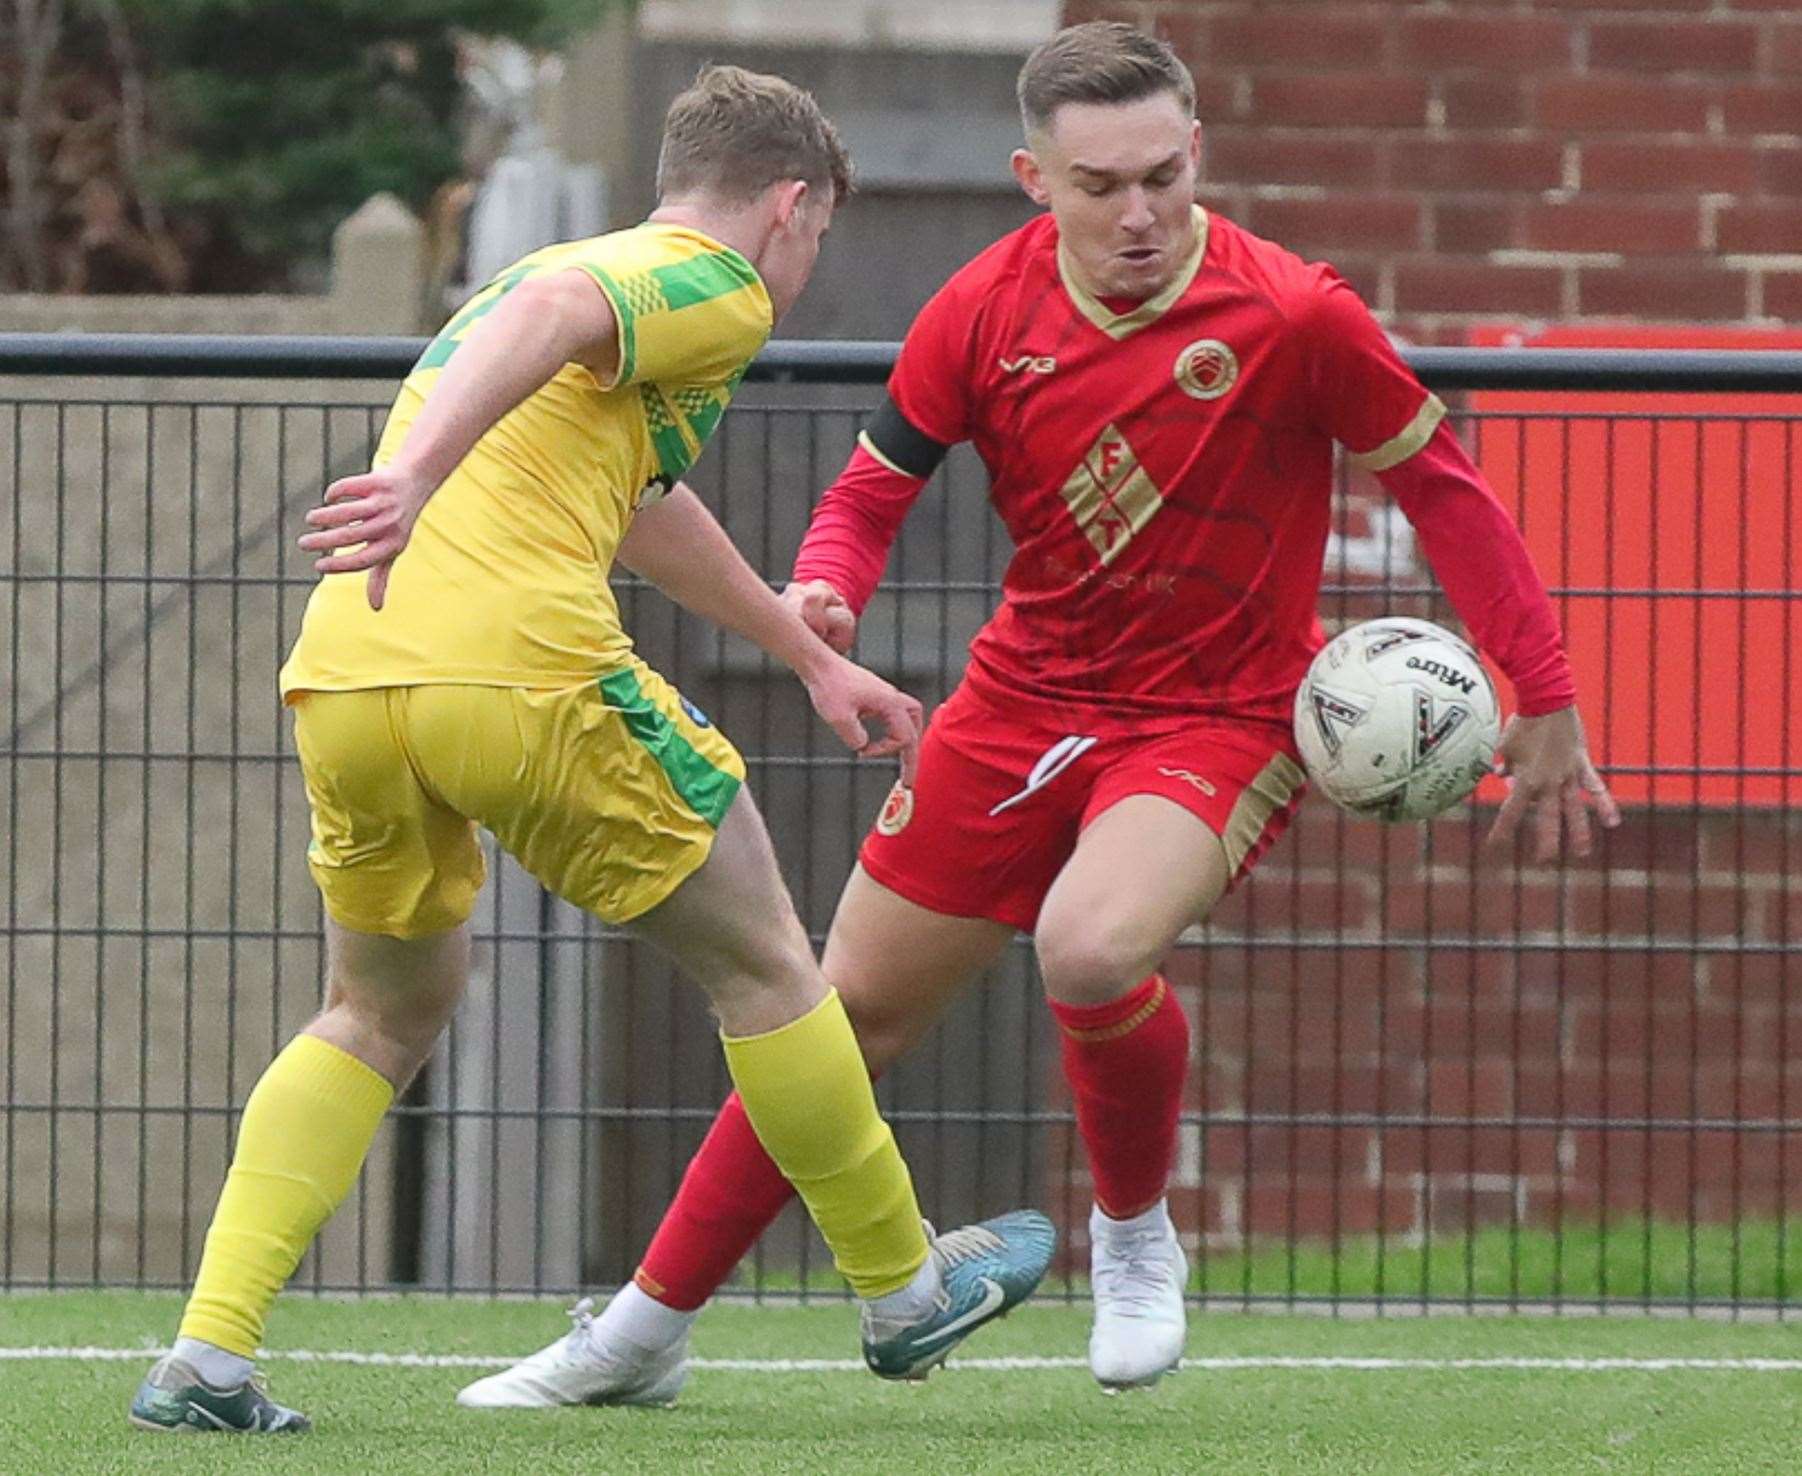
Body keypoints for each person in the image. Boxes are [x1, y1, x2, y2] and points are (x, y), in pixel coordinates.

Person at [470, 22, 1621, 1405]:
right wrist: (827, 588)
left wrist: (1540, 696)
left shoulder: (1294, 313)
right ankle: (639, 1335)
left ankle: (1132, 1241)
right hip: (1020, 703)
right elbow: (869, 489)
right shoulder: (979, 309)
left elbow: (1446, 487)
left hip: (1216, 715)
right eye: (1097, 185)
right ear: (1033, 177)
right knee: (835, 1021)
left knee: (1085, 949)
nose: (1135, 213)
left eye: (1159, 177)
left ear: (1193, 153)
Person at [128, 64, 1056, 1436]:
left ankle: (207, 1357)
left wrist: (808, 655)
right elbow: (568, 325)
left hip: (351, 673)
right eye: (815, 242)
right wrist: (422, 477)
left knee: (380, 1007)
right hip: (517, 668)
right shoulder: (701, 280)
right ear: (789, 209)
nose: (799, 274)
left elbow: (638, 505)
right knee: (765, 958)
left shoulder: (566, 272)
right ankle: (901, 1284)